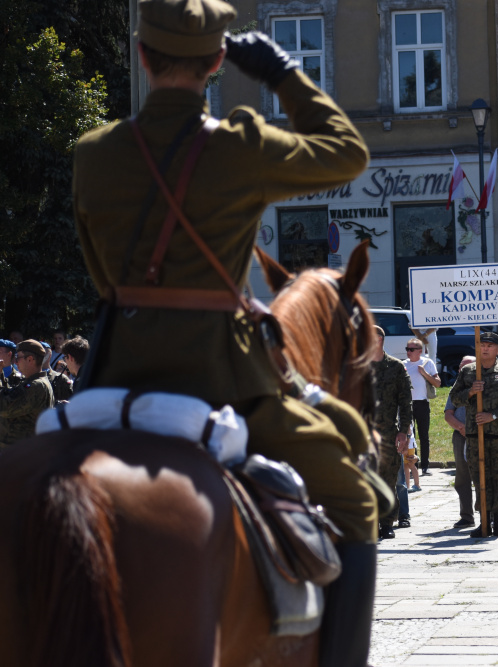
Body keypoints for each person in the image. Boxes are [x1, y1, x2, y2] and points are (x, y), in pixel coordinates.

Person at [71, 2, 375, 662]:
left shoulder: (94, 155)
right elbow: (347, 152)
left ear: (143, 57)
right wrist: (284, 74)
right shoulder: (240, 146)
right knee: (354, 500)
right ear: (217, 63)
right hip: (223, 385)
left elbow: (102, 276)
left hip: (112, 375)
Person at [450, 332, 498, 538]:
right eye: (482, 345)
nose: (485, 349)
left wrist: (493, 415)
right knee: (480, 479)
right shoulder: (468, 372)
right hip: (475, 435)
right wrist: (471, 392)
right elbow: (455, 398)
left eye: (490, 345)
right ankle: (483, 522)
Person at [372, 326, 413, 539]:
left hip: (388, 433)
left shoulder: (396, 367)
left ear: (379, 340)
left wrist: (404, 432)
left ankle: (387, 523)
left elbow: (405, 402)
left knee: (388, 479)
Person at [0, 340, 55, 448]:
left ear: (30, 359)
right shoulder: (33, 382)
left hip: (21, 453)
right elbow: (9, 396)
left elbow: (3, 406)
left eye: (18, 358)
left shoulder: (36, 386)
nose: (15, 362)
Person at [444, 356, 477, 529]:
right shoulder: (455, 390)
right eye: (460, 367)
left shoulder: (483, 386)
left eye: (467, 366)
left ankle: (489, 515)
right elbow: (448, 413)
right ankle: (466, 516)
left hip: (481, 436)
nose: (462, 370)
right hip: (461, 435)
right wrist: (460, 427)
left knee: (484, 477)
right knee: (462, 478)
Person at [404, 337, 441, 475]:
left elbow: (438, 383)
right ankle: (413, 465)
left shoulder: (427, 363)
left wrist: (424, 373)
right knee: (409, 436)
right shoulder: (403, 364)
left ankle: (425, 466)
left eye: (412, 349)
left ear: (420, 351)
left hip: (422, 403)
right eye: (407, 349)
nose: (409, 352)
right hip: (407, 404)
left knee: (423, 435)